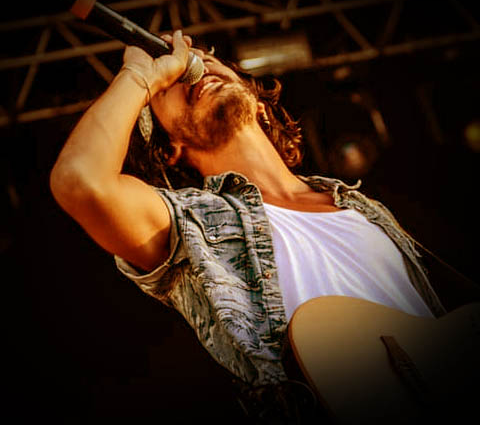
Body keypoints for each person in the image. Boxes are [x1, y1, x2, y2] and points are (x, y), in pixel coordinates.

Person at [50, 30, 479, 423]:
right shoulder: (189, 223)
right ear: (169, 149)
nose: (195, 68)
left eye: (206, 59)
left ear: (256, 101)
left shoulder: (363, 208)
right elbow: (80, 182)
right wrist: (141, 76)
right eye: (174, 81)